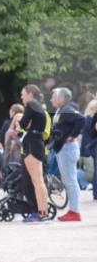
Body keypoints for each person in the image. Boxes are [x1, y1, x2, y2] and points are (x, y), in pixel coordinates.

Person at [50, 87, 84, 222]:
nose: (51, 99)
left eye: (54, 97)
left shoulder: (67, 109)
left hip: (67, 148)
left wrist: (73, 135)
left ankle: (74, 211)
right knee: (69, 181)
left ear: (62, 98)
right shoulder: (62, 110)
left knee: (70, 181)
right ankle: (73, 210)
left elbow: (81, 119)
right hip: (64, 148)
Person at [17, 85, 50, 223]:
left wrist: (23, 124)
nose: (21, 97)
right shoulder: (40, 106)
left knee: (37, 181)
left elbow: (23, 124)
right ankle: (44, 212)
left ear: (30, 94)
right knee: (39, 181)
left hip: (31, 143)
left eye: (23, 94)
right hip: (38, 142)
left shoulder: (31, 105)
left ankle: (42, 213)